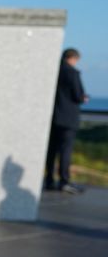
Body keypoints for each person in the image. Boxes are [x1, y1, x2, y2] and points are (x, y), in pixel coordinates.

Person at [44, 48, 88, 194]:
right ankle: (64, 181)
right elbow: (78, 95)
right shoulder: (72, 73)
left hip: (53, 116)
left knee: (52, 150)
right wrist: (83, 98)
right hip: (68, 118)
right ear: (72, 58)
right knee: (65, 150)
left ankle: (49, 179)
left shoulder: (53, 71)